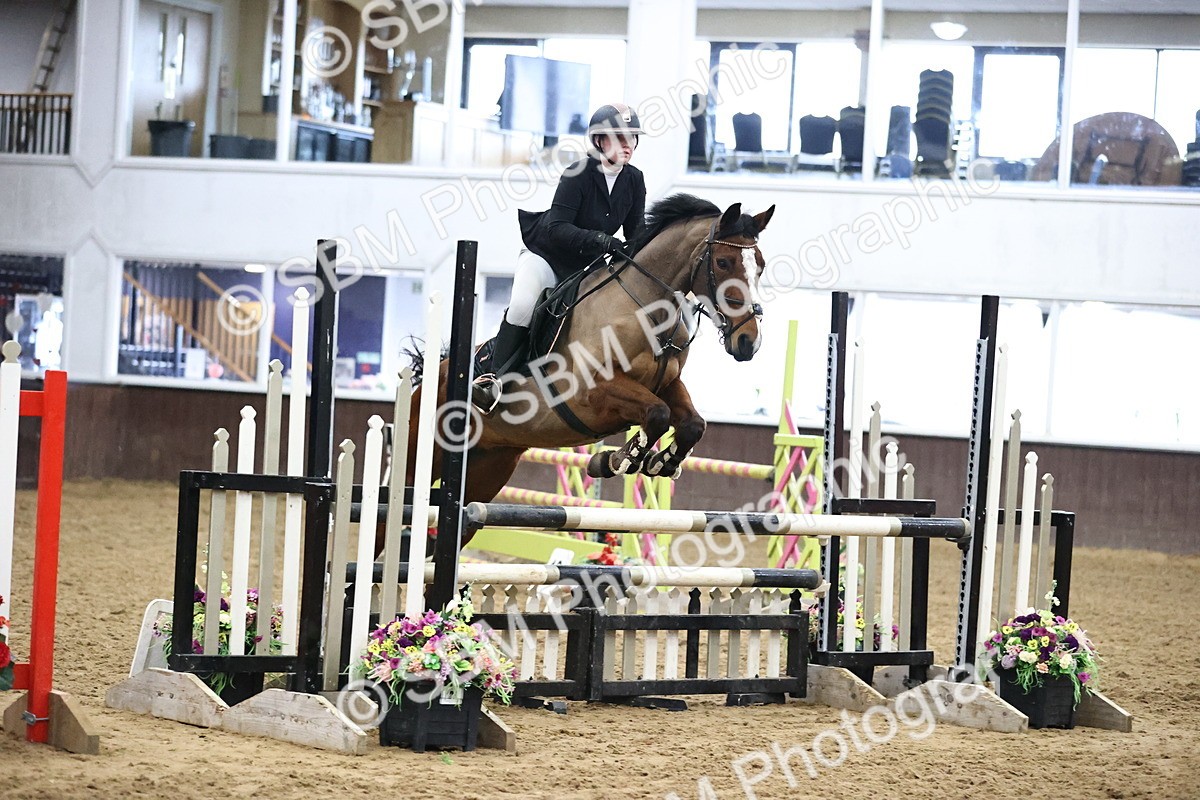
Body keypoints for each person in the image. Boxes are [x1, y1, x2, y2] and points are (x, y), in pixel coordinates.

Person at [472, 103, 648, 413]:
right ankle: (492, 380)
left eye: (632, 137)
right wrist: (601, 240)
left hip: (584, 270)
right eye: (619, 137)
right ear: (599, 142)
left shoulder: (634, 179)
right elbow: (556, 227)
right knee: (524, 305)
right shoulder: (577, 173)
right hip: (546, 258)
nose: (628, 145)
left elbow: (636, 233)